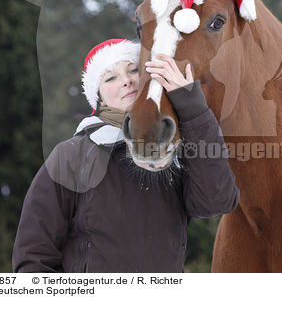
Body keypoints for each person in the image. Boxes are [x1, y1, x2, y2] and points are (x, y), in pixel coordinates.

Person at [12, 38, 240, 272]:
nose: (127, 81)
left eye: (133, 70)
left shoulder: (173, 146)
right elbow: (34, 254)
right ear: (98, 97)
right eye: (111, 78)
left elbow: (216, 202)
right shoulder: (72, 155)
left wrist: (192, 107)